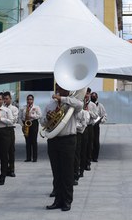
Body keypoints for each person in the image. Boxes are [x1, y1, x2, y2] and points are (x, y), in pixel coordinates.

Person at [42, 84, 84, 212]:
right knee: (57, 173)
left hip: (68, 140)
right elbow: (42, 121)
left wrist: (62, 99)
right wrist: (47, 118)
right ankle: (58, 200)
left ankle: (67, 201)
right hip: (53, 140)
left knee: (67, 172)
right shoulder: (50, 105)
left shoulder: (71, 104)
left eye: (62, 88)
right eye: (58, 89)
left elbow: (80, 105)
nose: (59, 91)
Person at [0, 93, 14, 185]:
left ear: (3, 100)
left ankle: (2, 177)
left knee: (4, 156)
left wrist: (0, 118)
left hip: (5, 132)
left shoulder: (7, 110)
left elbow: (11, 121)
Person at [20, 94, 41, 162]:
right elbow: (20, 117)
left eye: (30, 99)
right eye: (28, 99)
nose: (29, 101)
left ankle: (34, 158)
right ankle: (28, 157)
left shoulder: (36, 107)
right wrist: (23, 125)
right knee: (27, 141)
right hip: (26, 124)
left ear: (33, 100)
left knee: (34, 141)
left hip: (33, 123)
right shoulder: (23, 108)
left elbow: (40, 115)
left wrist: (32, 116)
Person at [3, 92, 19, 177]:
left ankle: (12, 169)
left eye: (7, 99)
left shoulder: (14, 109)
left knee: (11, 151)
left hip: (10, 130)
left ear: (10, 99)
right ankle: (4, 169)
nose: (5, 100)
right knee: (4, 151)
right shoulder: (0, 108)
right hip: (2, 130)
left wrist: (3, 119)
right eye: (4, 99)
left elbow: (13, 120)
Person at [90, 92, 106, 162]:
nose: (93, 97)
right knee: (89, 142)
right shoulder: (88, 105)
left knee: (96, 142)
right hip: (89, 125)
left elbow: (104, 115)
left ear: (97, 97)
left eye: (94, 96)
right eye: (92, 96)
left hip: (96, 126)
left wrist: (101, 121)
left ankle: (95, 157)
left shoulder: (100, 105)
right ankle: (89, 156)